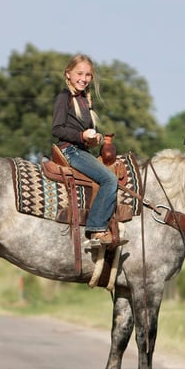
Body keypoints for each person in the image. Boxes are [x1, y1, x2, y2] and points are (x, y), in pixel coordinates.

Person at [51, 53, 127, 248]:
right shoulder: (64, 97)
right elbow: (57, 129)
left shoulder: (85, 100)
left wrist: (97, 138)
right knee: (109, 179)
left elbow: (86, 131)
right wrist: (82, 137)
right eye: (79, 73)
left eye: (88, 75)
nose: (83, 79)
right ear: (68, 74)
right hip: (70, 151)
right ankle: (96, 229)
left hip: (82, 150)